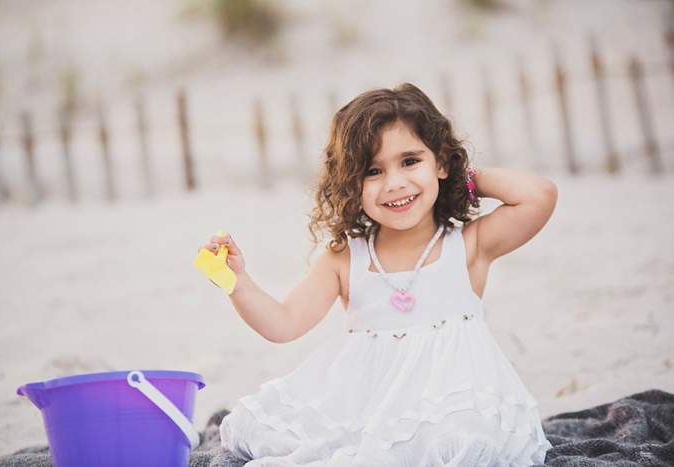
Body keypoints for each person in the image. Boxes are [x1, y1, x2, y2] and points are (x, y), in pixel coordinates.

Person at [201, 82, 557, 466]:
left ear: (439, 162)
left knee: (459, 440)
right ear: (351, 184)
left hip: (452, 404)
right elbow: (283, 324)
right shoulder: (344, 258)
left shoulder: (469, 245)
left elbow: (539, 195)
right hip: (367, 407)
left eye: (410, 161)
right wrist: (236, 281)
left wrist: (461, 174)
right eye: (373, 170)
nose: (395, 183)